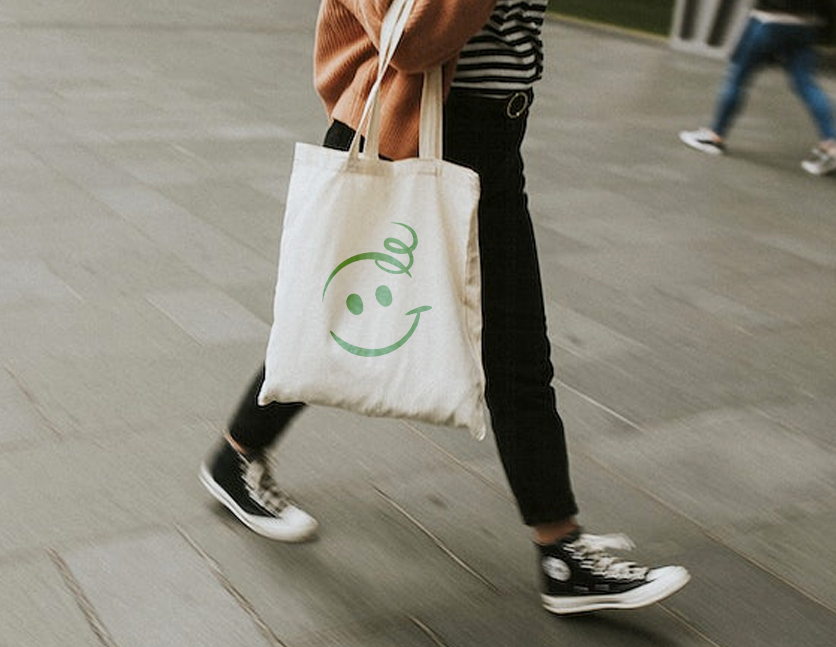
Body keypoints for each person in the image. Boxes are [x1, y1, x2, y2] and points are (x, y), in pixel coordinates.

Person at [200, 0, 690, 616]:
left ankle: (559, 548)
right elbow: (408, 36)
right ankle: (560, 550)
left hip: (491, 137)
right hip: (411, 132)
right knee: (358, 328)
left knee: (501, 346)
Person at [680, 0, 836, 176]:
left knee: (738, 77)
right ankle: (832, 143)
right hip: (805, 25)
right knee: (806, 84)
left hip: (768, 20)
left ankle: (714, 136)